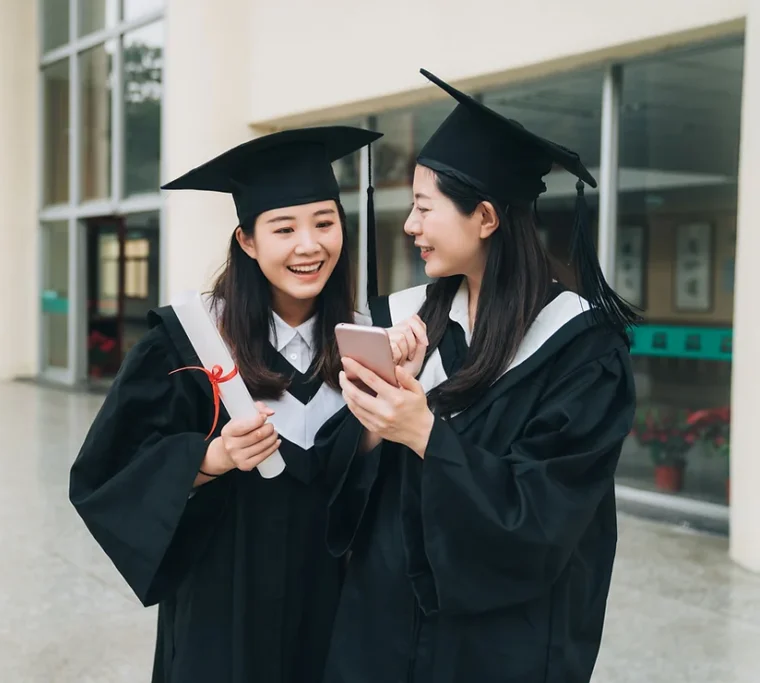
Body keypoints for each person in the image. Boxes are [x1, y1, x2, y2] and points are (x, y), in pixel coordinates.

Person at [318, 69, 639, 683]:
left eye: (422, 207)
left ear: (485, 217)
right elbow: (344, 492)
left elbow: (545, 520)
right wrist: (374, 415)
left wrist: (425, 434)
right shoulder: (403, 321)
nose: (410, 225)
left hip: (498, 645)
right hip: (381, 628)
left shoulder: (580, 351)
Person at [69, 125, 382, 683]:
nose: (309, 246)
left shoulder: (364, 341)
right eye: (284, 228)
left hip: (331, 602)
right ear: (248, 241)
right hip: (222, 608)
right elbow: (106, 470)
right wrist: (207, 459)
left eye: (325, 223)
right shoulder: (188, 341)